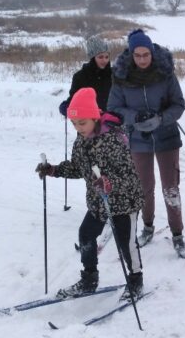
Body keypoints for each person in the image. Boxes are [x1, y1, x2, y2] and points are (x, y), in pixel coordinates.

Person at [36, 87, 145, 300]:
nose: (78, 128)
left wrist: (109, 182)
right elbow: (79, 168)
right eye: (74, 123)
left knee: (126, 244)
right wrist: (54, 170)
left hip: (125, 202)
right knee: (86, 235)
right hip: (98, 202)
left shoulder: (113, 139)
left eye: (82, 123)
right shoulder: (81, 139)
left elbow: (128, 175)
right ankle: (89, 279)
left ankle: (135, 280)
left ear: (95, 117)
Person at [107, 29, 185, 257]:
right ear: (131, 54)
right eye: (138, 55)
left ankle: (178, 235)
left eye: (146, 54)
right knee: (144, 188)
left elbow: (179, 104)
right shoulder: (122, 76)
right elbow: (113, 108)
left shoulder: (165, 73)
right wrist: (135, 118)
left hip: (167, 138)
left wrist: (161, 118)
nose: (142, 59)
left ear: (152, 52)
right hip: (137, 140)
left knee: (170, 188)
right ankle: (147, 227)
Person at [60, 35, 113, 117]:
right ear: (92, 58)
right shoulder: (80, 77)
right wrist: (66, 108)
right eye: (100, 57)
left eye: (107, 57)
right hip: (87, 125)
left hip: (111, 124)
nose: (104, 60)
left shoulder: (114, 74)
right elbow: (73, 102)